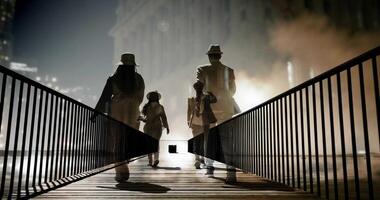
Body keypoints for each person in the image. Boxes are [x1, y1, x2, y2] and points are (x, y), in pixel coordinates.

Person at [93, 53, 145, 182]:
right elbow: (140, 97)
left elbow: (104, 97)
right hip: (132, 113)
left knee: (117, 141)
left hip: (116, 113)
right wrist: (132, 103)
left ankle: (121, 171)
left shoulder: (113, 79)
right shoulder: (139, 79)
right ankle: (123, 167)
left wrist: (96, 113)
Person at [196, 44, 240, 183]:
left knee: (208, 137)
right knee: (227, 138)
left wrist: (198, 103)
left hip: (210, 107)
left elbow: (199, 88)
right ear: (220, 56)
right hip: (226, 106)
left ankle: (209, 167)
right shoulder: (229, 70)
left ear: (209, 57)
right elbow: (233, 90)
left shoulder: (202, 70)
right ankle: (231, 172)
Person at [187, 81, 217, 170]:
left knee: (202, 141)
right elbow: (189, 111)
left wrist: (211, 93)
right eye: (197, 88)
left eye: (200, 88)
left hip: (204, 122)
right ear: (195, 89)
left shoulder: (206, 97)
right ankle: (197, 159)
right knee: (199, 141)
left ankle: (201, 158)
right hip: (197, 123)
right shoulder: (191, 99)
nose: (198, 89)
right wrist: (188, 121)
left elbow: (214, 100)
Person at [138, 91, 169, 168]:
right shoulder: (160, 107)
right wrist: (167, 127)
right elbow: (164, 118)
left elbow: (145, 119)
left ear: (150, 98)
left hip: (148, 127)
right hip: (157, 127)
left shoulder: (146, 107)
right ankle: (156, 159)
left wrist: (140, 119)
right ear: (157, 98)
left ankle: (150, 161)